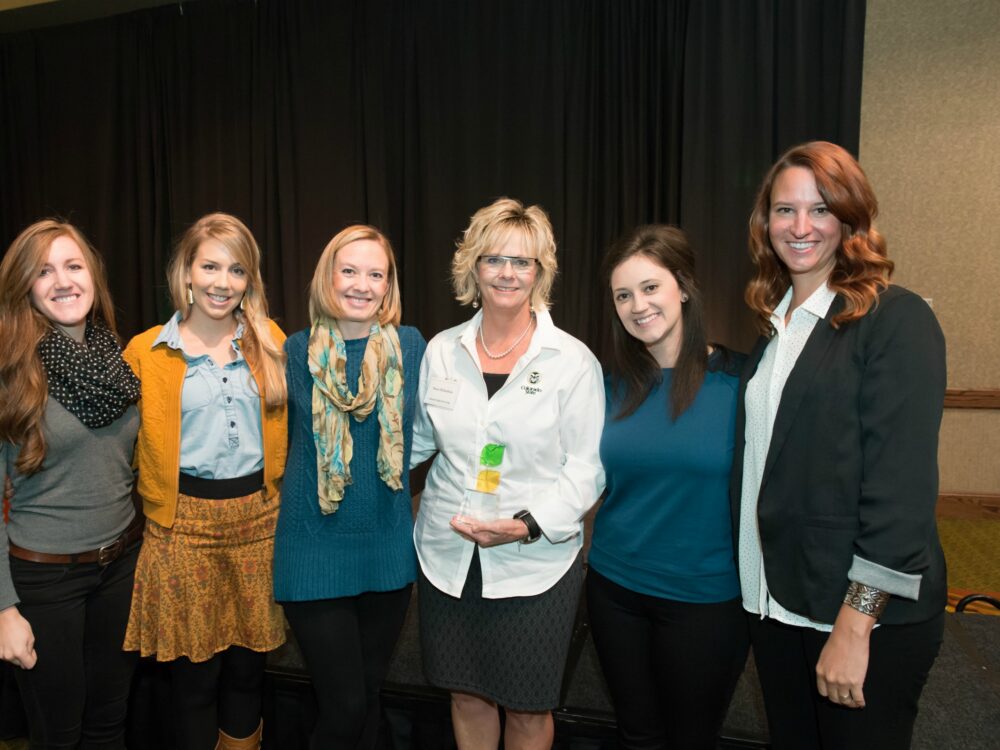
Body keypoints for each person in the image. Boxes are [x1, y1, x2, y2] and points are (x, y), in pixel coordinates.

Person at [733, 141, 946, 749]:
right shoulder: (775, 332)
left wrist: (857, 623)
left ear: (850, 220)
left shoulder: (894, 320)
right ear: (764, 223)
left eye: (820, 209)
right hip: (777, 605)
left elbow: (901, 491)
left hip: (856, 617)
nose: (800, 227)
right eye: (784, 210)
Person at [411, 197, 605, 750]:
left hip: (533, 565)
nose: (507, 273)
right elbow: (422, 441)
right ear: (473, 266)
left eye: (522, 262)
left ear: (540, 272)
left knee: (526, 706)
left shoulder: (571, 361)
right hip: (447, 558)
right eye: (494, 259)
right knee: (466, 695)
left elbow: (586, 471)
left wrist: (523, 525)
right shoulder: (442, 352)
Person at [122, 213, 288, 750]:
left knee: (247, 675)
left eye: (236, 269)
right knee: (195, 683)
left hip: (260, 527)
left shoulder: (272, 343)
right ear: (186, 273)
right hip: (182, 531)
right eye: (210, 265)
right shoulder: (146, 352)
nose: (222, 281)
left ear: (250, 280)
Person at [587, 225, 749, 749]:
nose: (638, 305)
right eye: (624, 295)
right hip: (614, 589)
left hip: (704, 599)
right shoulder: (608, 387)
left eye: (650, 287)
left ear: (682, 286)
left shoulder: (740, 384)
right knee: (636, 735)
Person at [273, 225, 426, 749]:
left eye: (375, 274)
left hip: (385, 547)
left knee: (368, 697)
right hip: (313, 548)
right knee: (343, 709)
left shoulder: (410, 346)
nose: (362, 284)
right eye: (350, 270)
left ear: (388, 285)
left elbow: (430, 434)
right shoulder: (291, 352)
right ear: (327, 277)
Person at [0, 220, 142, 749]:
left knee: (110, 724)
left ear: (92, 276)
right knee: (57, 735)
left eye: (73, 265)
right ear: (26, 287)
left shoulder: (114, 358)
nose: (62, 281)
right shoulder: (11, 367)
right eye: (44, 271)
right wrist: (3, 609)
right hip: (44, 583)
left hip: (121, 567)